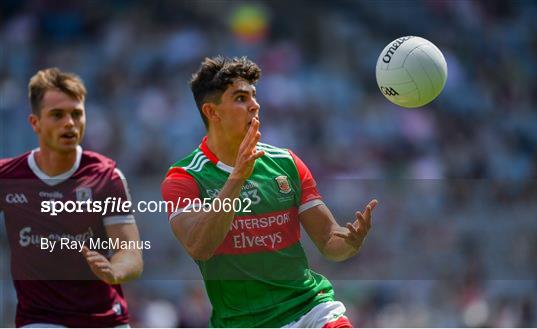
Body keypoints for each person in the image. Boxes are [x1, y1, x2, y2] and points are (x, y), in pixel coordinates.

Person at [162, 56, 377, 328]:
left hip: (310, 309)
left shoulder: (286, 162)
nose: (255, 105)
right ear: (212, 112)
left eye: (253, 96)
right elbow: (200, 246)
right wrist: (237, 177)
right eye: (240, 98)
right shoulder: (184, 178)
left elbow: (328, 241)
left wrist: (350, 241)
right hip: (242, 322)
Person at [0, 68, 143, 327]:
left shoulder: (106, 176)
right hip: (40, 320)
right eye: (57, 115)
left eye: (76, 114)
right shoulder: (8, 176)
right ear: (35, 123)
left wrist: (115, 270)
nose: (69, 123)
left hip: (105, 318)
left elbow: (130, 252)